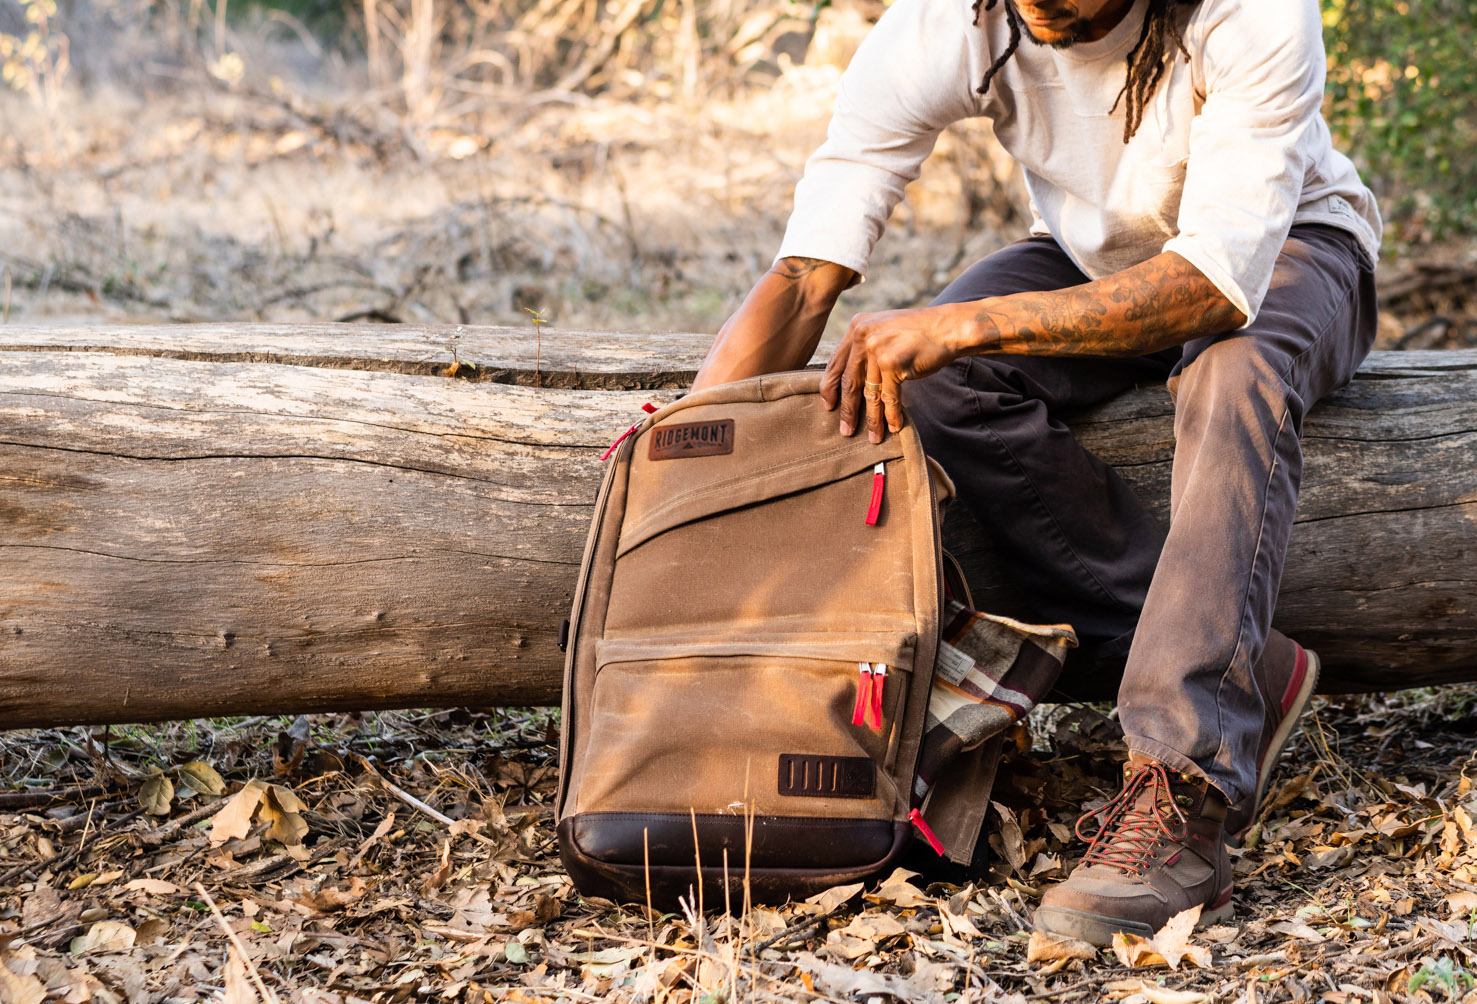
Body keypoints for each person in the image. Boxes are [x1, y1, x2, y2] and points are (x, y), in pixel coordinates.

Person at [690, 0, 1380, 946]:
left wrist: (963, 322)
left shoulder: (1248, 12)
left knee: (1231, 377)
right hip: (1085, 259)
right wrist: (688, 453)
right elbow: (808, 271)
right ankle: (1238, 661)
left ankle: (1184, 789)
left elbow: (1217, 285)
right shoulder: (950, 23)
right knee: (931, 381)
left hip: (1291, 247)